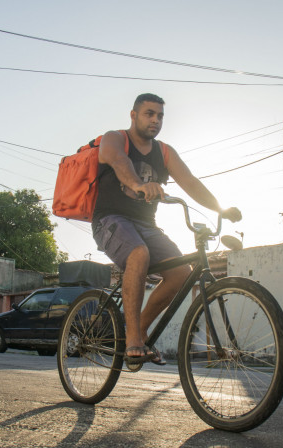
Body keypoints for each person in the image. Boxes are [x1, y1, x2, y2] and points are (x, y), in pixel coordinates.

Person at [92, 93, 241, 365]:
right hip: (110, 220)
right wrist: (137, 184)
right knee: (139, 254)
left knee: (181, 274)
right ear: (133, 115)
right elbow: (118, 161)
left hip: (146, 226)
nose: (155, 120)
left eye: (160, 115)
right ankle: (133, 338)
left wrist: (220, 209)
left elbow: (190, 182)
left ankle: (139, 330)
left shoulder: (165, 152)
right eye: (149, 114)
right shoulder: (115, 138)